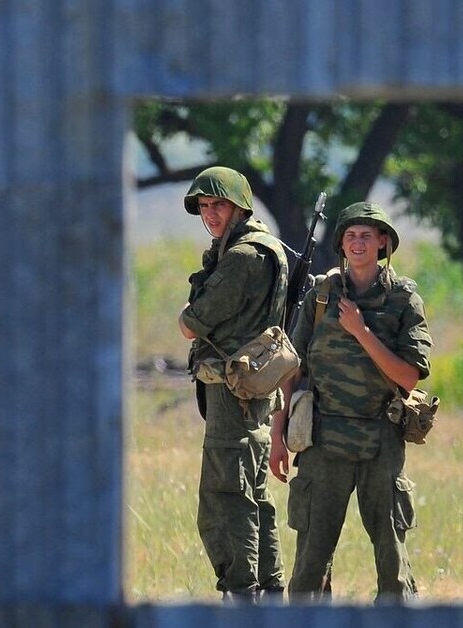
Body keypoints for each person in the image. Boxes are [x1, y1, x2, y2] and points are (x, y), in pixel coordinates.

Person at [268, 201, 432, 603]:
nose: (358, 243)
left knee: (392, 563)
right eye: (350, 236)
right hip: (323, 440)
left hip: (380, 439)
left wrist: (360, 331)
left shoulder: (403, 299)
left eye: (367, 235)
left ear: (382, 243)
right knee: (309, 565)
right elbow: (292, 369)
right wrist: (278, 435)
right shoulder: (322, 295)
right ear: (340, 243)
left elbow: (409, 376)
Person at [177, 166, 287, 602]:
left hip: (234, 391)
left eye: (218, 204)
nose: (210, 214)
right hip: (257, 388)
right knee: (255, 496)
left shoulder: (242, 256)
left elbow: (191, 324)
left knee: (226, 498)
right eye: (204, 206)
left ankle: (242, 595)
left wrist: (187, 313)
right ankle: (270, 591)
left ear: (240, 206)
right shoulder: (267, 248)